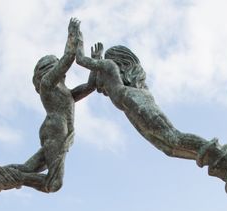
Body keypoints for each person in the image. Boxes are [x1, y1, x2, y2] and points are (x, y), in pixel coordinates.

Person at [74, 25, 207, 162]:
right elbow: (91, 85)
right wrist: (96, 60)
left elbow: (80, 59)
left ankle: (217, 152)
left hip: (133, 99)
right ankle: (208, 159)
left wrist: (76, 38)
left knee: (173, 137)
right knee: (168, 148)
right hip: (130, 105)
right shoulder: (105, 70)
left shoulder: (109, 65)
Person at [14, 18, 95, 193]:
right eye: (56, 64)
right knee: (54, 183)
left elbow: (90, 86)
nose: (61, 70)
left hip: (58, 130)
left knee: (27, 168)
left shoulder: (65, 92)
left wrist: (96, 63)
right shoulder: (47, 83)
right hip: (55, 129)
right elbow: (68, 58)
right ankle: (13, 178)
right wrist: (73, 34)